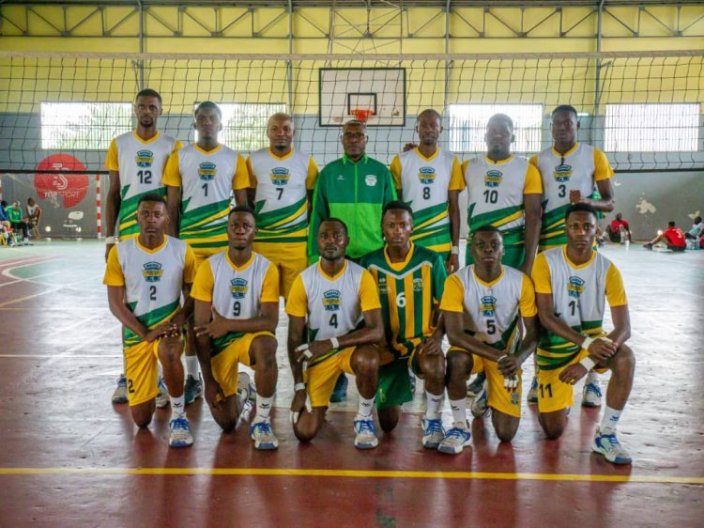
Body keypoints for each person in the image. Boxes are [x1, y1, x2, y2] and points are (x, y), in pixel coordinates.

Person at [532, 203, 636, 464]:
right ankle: (560, 395)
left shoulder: (607, 269)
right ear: (565, 229)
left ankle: (606, 433)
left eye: (587, 226)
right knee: (553, 430)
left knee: (625, 358)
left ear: (596, 230)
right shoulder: (545, 262)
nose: (581, 232)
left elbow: (624, 328)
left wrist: (586, 362)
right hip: (556, 344)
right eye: (575, 226)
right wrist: (587, 343)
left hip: (591, 345)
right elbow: (545, 317)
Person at [529, 105, 616, 406]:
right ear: (550, 127)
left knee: (588, 309)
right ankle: (540, 373)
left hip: (582, 248)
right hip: (549, 248)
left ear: (577, 125)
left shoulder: (594, 155)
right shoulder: (537, 161)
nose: (562, 128)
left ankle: (592, 378)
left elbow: (610, 201)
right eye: (557, 123)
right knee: (546, 313)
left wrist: (588, 202)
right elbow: (532, 207)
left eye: (568, 123)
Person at [164, 101, 249, 405]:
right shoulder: (179, 157)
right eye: (202, 118)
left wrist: (241, 249)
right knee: (191, 313)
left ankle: (234, 373)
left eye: (212, 118)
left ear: (221, 124)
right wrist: (173, 247)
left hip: (223, 250)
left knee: (228, 310)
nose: (207, 122)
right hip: (190, 248)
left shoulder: (234, 159)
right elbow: (172, 207)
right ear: (195, 124)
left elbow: (243, 208)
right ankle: (193, 377)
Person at [308, 119, 396, 402]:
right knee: (334, 314)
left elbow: (392, 214)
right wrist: (314, 256)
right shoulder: (329, 173)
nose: (354, 138)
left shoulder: (381, 172)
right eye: (349, 134)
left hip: (373, 256)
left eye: (359, 134)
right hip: (338, 257)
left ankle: (383, 371)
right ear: (342, 139)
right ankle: (336, 377)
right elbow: (317, 217)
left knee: (377, 317)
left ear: (367, 139)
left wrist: (391, 251)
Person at [105, 88, 182, 405]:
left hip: (161, 236)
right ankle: (128, 374)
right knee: (129, 303)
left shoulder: (172, 145)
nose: (146, 111)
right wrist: (110, 238)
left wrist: (174, 240)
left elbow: (174, 198)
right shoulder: (119, 144)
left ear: (160, 111)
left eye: (152, 107)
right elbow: (113, 193)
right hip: (128, 235)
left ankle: (160, 376)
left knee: (163, 299)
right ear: (135, 110)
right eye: (142, 106)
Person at [103, 194, 196, 448]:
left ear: (166, 219)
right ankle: (156, 380)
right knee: (141, 420)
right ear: (137, 218)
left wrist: (177, 322)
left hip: (168, 330)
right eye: (145, 214)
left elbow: (193, 296)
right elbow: (115, 304)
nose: (151, 219)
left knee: (169, 351)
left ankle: (179, 417)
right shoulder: (120, 252)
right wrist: (145, 333)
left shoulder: (182, 249)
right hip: (137, 335)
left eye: (157, 214)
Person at [439, 226, 538, 453]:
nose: (488, 250)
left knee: (505, 434)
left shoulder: (520, 281)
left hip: (505, 357)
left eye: (495, 245)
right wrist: (500, 356)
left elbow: (533, 332)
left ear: (503, 250)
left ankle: (488, 389)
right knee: (456, 361)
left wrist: (518, 358)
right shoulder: (457, 281)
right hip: (474, 351)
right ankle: (459, 426)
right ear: (472, 250)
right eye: (481, 245)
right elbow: (454, 335)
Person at [287, 218, 384, 449]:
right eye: (324, 236)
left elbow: (376, 330)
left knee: (369, 359)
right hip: (320, 357)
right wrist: (299, 387)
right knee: (304, 432)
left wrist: (331, 343)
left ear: (346, 241)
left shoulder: (361, 276)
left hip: (350, 349)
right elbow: (294, 338)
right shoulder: (304, 280)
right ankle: (319, 405)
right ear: (317, 241)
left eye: (337, 236)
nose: (331, 241)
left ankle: (364, 418)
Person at [358, 201, 448, 448]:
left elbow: (448, 305)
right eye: (391, 225)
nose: (397, 230)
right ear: (382, 229)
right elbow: (360, 311)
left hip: (420, 343)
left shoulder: (430, 260)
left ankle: (433, 419)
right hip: (385, 347)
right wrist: (377, 345)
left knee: (436, 363)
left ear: (412, 228)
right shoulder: (369, 263)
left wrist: (437, 337)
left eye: (403, 225)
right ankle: (400, 380)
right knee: (388, 424)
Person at [191, 206, 280, 450]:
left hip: (250, 338)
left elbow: (270, 322)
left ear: (255, 232)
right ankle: (242, 390)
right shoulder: (209, 267)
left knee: (267, 344)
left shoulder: (267, 268)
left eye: (246, 226)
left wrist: (227, 324)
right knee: (227, 422)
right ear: (227, 231)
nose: (240, 230)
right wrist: (208, 380)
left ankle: (262, 421)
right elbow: (200, 329)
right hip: (219, 344)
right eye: (235, 226)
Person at [234, 112, 319, 299]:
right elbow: (248, 199)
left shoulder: (307, 162)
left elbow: (313, 200)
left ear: (293, 132)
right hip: (263, 242)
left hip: (296, 244)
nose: (281, 133)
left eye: (286, 129)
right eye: (275, 128)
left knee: (296, 300)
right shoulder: (254, 159)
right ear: (267, 132)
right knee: (262, 299)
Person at [462, 113, 543, 275]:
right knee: (474, 291)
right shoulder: (468, 167)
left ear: (513, 138)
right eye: (492, 131)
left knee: (511, 292)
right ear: (485, 137)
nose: (497, 135)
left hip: (511, 248)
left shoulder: (527, 169)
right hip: (477, 247)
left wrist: (529, 263)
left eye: (503, 132)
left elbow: (534, 217)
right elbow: (440, 181)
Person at [389, 109, 464, 273]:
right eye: (424, 125)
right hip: (410, 242)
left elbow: (454, 207)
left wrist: (455, 250)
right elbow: (395, 207)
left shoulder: (451, 161)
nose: (429, 129)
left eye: (433, 125)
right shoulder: (401, 160)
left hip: (441, 242)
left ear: (440, 129)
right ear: (417, 129)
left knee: (440, 288)